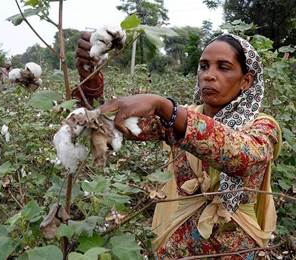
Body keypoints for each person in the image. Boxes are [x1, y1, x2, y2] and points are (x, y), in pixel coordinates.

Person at [75, 33, 282, 259]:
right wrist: (90, 79)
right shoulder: (179, 119)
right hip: (180, 246)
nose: (209, 76)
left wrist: (165, 108)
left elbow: (242, 157)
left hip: (239, 248)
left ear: (246, 81)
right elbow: (112, 126)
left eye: (223, 67)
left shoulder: (262, 127)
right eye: (204, 66)